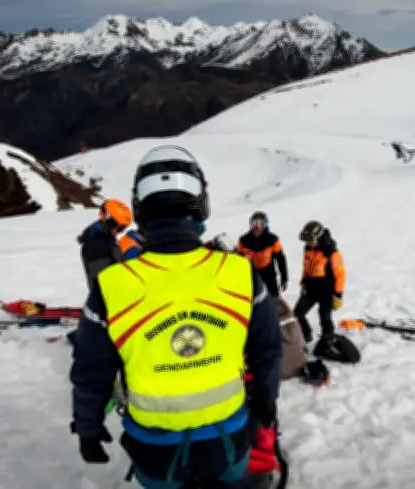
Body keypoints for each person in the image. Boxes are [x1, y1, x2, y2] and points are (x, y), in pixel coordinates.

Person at [69, 145, 283, 489]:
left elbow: (91, 370)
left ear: (140, 208)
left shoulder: (112, 285)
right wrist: (266, 404)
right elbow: (268, 351)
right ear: (200, 204)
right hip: (228, 438)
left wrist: (88, 427)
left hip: (154, 448)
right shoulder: (239, 272)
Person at [292, 221, 346, 344]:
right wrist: (304, 281)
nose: (309, 243)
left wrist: (338, 295)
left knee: (324, 317)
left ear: (319, 237)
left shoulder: (332, 253)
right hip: (311, 289)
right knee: (297, 313)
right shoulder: (308, 249)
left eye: (311, 239)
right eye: (306, 240)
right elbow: (306, 267)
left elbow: (340, 275)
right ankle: (307, 334)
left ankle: (328, 339)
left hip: (327, 291)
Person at [76, 199, 133, 290]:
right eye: (120, 228)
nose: (119, 232)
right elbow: (105, 282)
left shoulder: (103, 237)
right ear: (109, 221)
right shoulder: (96, 245)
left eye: (123, 228)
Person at [237, 212, 288, 298]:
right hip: (250, 275)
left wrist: (284, 278)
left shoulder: (273, 240)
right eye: (254, 224)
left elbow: (281, 259)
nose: (257, 227)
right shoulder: (244, 240)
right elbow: (238, 259)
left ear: (265, 225)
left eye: (261, 224)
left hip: (269, 275)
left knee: (273, 299)